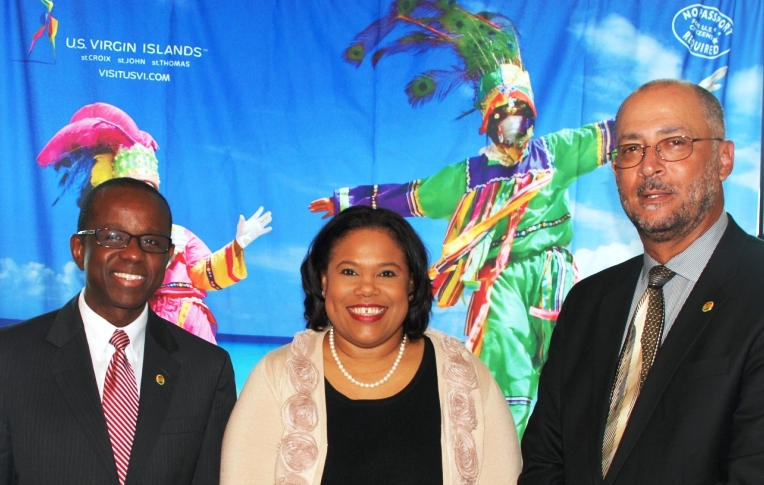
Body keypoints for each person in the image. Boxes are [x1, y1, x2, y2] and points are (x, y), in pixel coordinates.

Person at [309, 0, 614, 437]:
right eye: (507, 119)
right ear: (490, 122)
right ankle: (507, 457)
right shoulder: (469, 177)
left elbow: (616, 136)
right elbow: (408, 196)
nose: (518, 129)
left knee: (572, 366)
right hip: (501, 281)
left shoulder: (555, 153)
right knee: (505, 364)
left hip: (556, 275)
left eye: (524, 117)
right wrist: (345, 200)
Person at [519, 79, 764, 483]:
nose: (649, 166)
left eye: (674, 143)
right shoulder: (588, 302)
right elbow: (545, 464)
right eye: (631, 149)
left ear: (723, 159)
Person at [221, 206, 520, 484]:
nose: (367, 288)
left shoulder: (466, 378)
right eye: (349, 272)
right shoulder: (277, 377)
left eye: (386, 273)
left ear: (412, 285)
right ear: (324, 282)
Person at [0, 177, 237, 484]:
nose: (134, 254)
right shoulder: (9, 359)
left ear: (168, 257)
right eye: (113, 237)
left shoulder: (207, 369)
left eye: (151, 241)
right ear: (77, 249)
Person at [36, 102, 273, 344]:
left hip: (188, 318)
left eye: (148, 190)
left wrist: (238, 245)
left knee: (200, 377)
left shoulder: (179, 234)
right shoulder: (109, 240)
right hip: (142, 317)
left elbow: (204, 275)